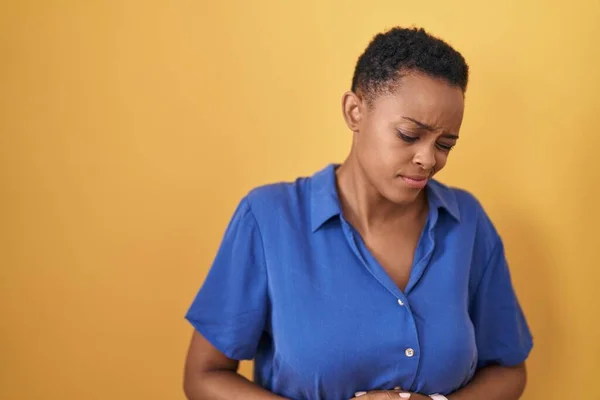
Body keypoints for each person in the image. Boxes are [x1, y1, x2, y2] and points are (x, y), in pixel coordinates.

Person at [183, 27, 533, 400]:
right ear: (355, 112)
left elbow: (509, 369)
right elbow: (204, 377)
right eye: (409, 135)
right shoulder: (269, 219)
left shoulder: (467, 222)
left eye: (445, 144)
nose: (428, 159)